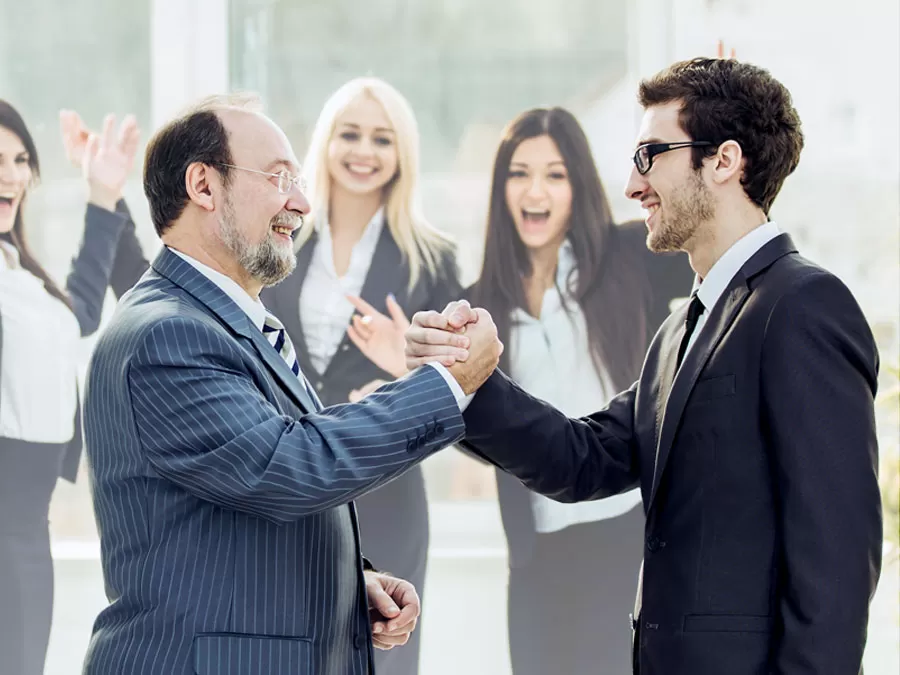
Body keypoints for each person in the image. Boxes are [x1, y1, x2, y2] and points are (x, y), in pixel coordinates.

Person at [405, 57, 882, 675]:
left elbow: (837, 559)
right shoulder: (678, 332)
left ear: (723, 161)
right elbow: (583, 459)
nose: (633, 186)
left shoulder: (802, 305)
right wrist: (475, 381)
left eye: (650, 154)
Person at [80, 93, 501, 675]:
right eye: (279, 178)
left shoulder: (224, 323)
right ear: (203, 186)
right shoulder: (168, 336)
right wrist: (446, 383)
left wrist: (345, 585)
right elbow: (292, 465)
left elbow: (222, 514)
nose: (301, 203)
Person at [353, 105, 693, 673]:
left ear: (577, 185)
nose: (535, 190)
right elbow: (486, 433)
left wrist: (712, 147)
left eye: (555, 174)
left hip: (633, 535)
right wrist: (419, 376)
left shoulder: (633, 257)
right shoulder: (481, 299)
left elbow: (718, 243)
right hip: (539, 553)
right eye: (519, 173)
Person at [260, 77, 460, 675]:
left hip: (386, 494)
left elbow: (469, 388)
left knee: (383, 658)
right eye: (349, 134)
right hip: (284, 487)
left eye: (382, 138)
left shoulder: (433, 259)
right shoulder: (278, 241)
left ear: (403, 154)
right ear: (324, 143)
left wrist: (405, 375)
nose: (364, 151)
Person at [0, 101, 142, 675]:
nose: (10, 173)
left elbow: (77, 313)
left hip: (28, 532)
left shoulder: (16, 271)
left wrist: (103, 195)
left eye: (19, 159)